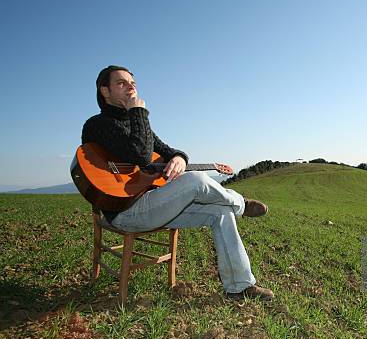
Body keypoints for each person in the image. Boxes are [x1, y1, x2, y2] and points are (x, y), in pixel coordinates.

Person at [81, 65, 273, 301]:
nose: (131, 86)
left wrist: (180, 159)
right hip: (126, 212)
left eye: (133, 82)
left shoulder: (138, 123)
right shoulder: (97, 125)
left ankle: (239, 287)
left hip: (154, 203)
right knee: (196, 181)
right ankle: (241, 203)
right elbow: (140, 154)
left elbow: (168, 150)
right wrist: (138, 113)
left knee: (221, 212)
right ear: (105, 91)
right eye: (122, 83)